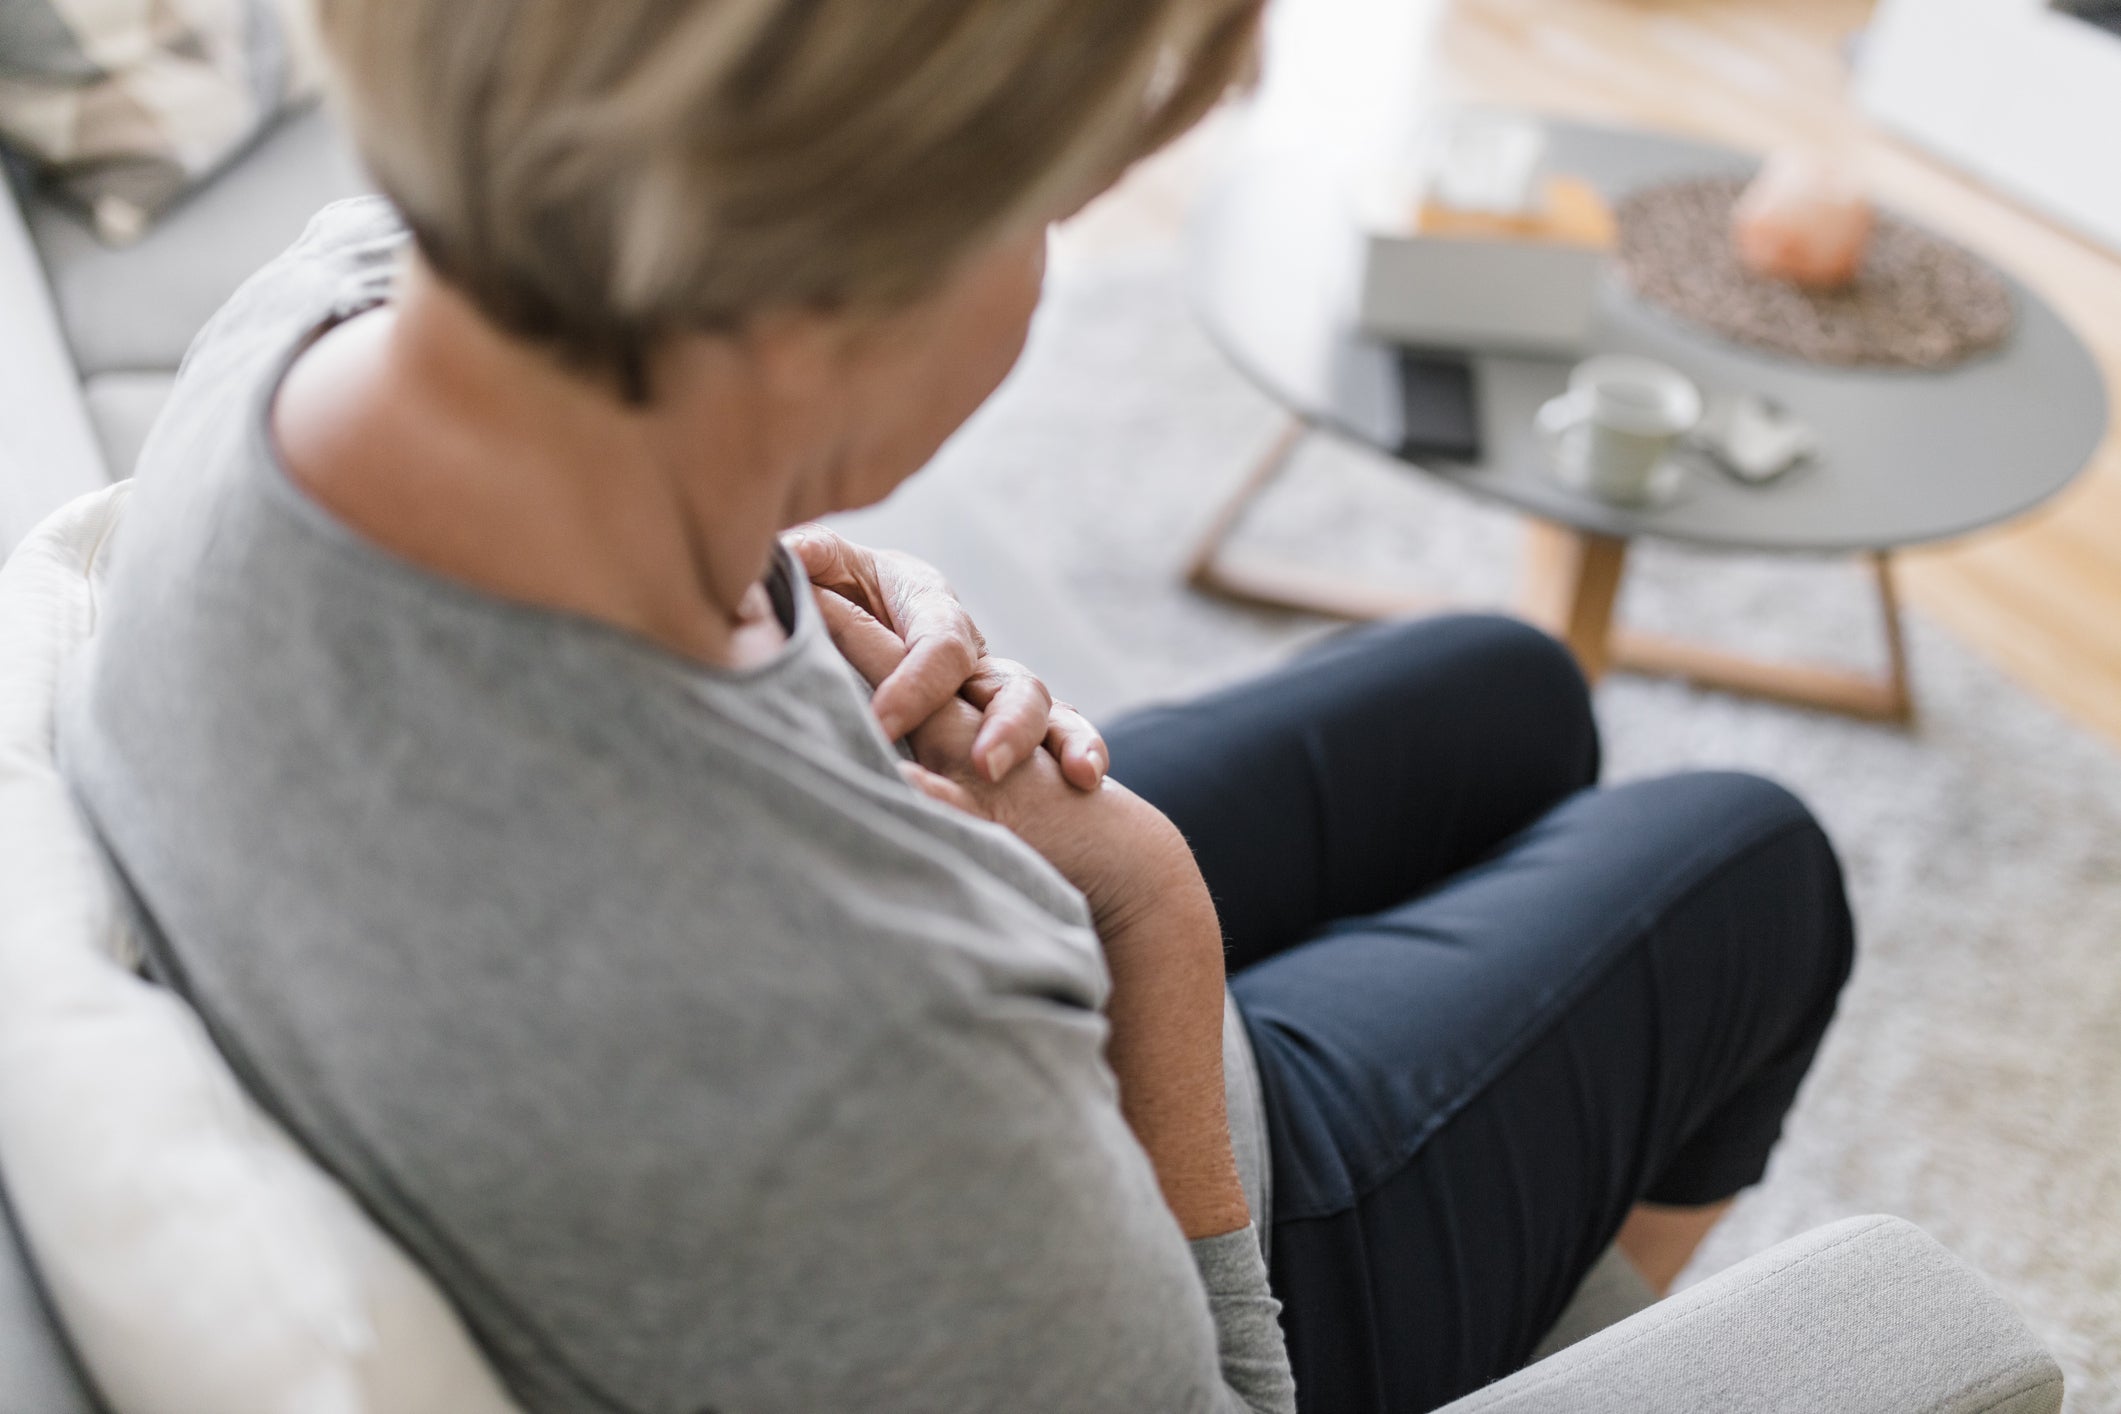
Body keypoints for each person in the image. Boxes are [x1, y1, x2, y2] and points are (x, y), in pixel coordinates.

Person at [57, 1, 1855, 1410]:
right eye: (1045, 215)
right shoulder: (842, 1057)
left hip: (882, 918)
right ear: (821, 294)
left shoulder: (323, 306)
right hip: (1145, 1197)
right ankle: (1558, 1338)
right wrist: (1148, 907)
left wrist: (758, 534)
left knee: (1508, 686)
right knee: (1751, 865)